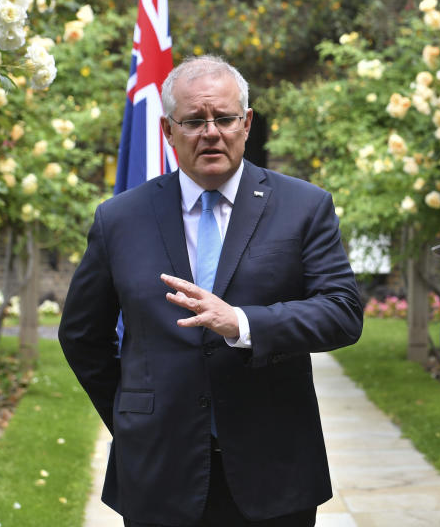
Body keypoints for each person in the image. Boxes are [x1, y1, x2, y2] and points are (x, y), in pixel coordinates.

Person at [59, 55, 363, 527]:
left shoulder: (304, 206)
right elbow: (82, 335)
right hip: (157, 466)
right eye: (194, 120)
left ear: (246, 123)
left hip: (274, 467)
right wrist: (132, 414)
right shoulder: (119, 219)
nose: (211, 132)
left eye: (224, 118)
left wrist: (242, 323)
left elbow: (342, 312)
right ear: (167, 130)